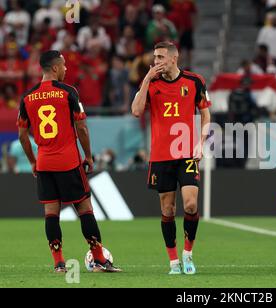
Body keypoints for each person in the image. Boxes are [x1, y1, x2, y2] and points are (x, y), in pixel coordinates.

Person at [16, 50, 121, 273]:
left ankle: (59, 263)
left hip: (44, 164)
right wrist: (89, 156)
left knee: (51, 214)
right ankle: (100, 259)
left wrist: (33, 161)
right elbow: (81, 127)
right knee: (85, 209)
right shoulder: (68, 92)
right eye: (63, 65)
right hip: (69, 162)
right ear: (54, 68)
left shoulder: (27, 97)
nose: (66, 69)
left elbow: (22, 134)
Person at [131, 41, 211, 275]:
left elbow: (206, 116)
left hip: (186, 152)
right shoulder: (151, 83)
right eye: (154, 57)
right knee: (167, 210)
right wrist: (146, 80)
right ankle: (173, 261)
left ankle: (188, 254)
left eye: (160, 57)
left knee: (190, 204)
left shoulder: (195, 81)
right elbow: (136, 111)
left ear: (174, 58)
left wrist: (201, 143)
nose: (155, 62)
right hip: (161, 156)